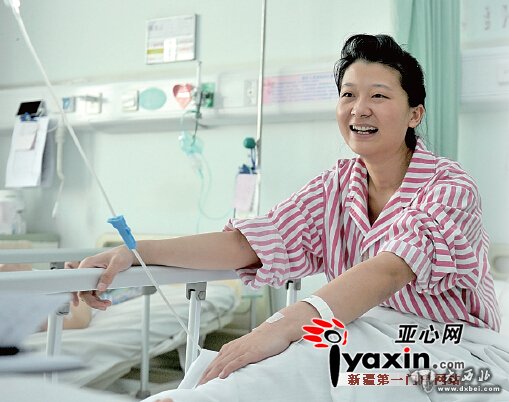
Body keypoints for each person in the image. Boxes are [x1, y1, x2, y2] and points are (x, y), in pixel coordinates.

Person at [73, 34, 506, 401]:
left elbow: (390, 270)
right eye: (348, 94)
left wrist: (280, 327)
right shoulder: (335, 186)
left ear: (415, 113)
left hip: (460, 354)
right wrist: (135, 251)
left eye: (378, 95)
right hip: (358, 331)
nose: (359, 108)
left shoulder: (450, 188)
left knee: (312, 361)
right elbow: (249, 244)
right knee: (258, 368)